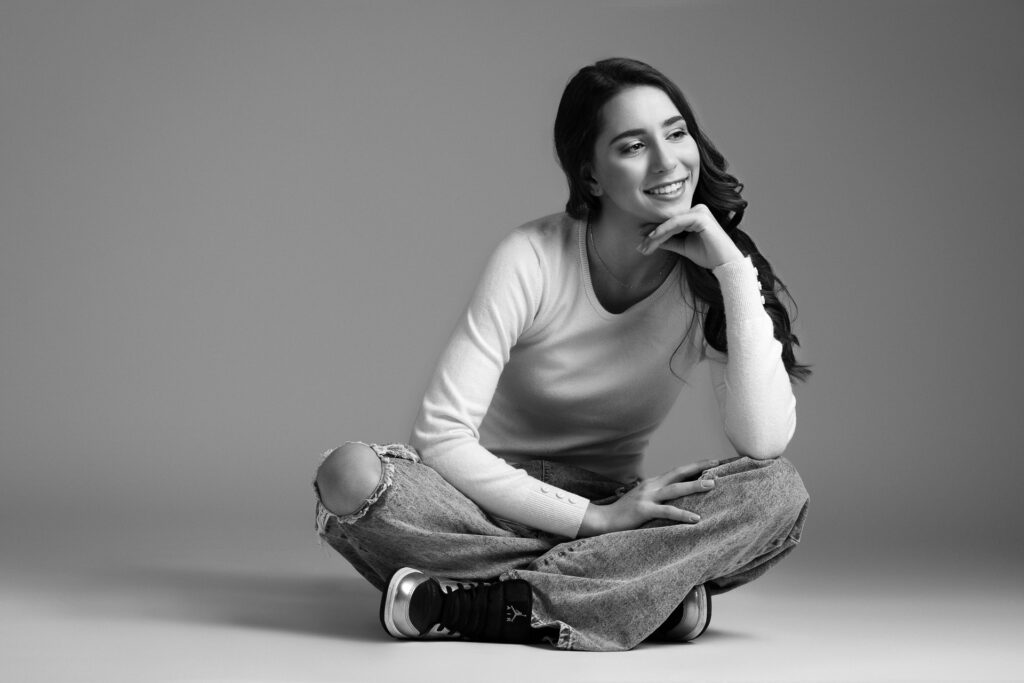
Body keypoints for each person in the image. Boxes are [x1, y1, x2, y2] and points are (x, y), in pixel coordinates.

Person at [312, 57, 811, 652]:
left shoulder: (709, 275)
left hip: (620, 503)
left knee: (776, 491)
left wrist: (733, 269)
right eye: (632, 145)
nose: (667, 161)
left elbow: (762, 443)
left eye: (676, 133)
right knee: (348, 474)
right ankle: (639, 592)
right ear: (592, 175)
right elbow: (443, 436)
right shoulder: (532, 255)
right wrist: (594, 525)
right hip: (489, 505)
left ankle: (472, 606)